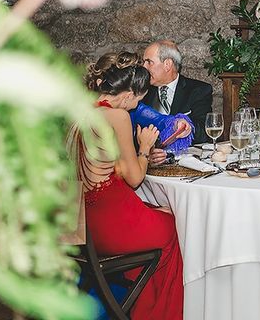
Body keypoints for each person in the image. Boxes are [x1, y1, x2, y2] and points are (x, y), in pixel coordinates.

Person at [69, 59, 184, 319]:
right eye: (138, 100)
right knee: (176, 227)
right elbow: (134, 179)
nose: (137, 107)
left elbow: (106, 168)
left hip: (82, 225)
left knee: (161, 210)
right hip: (111, 227)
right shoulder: (117, 115)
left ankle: (134, 302)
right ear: (129, 94)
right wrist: (144, 147)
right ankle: (154, 313)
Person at [86, 51, 194, 162]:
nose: (136, 102)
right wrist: (144, 151)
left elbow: (160, 120)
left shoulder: (133, 109)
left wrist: (178, 124)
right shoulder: (84, 111)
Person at [142, 40, 213, 144]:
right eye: (143, 62)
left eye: (149, 62)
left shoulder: (198, 90)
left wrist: (186, 127)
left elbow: (204, 133)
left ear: (167, 64)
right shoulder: (142, 91)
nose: (144, 67)